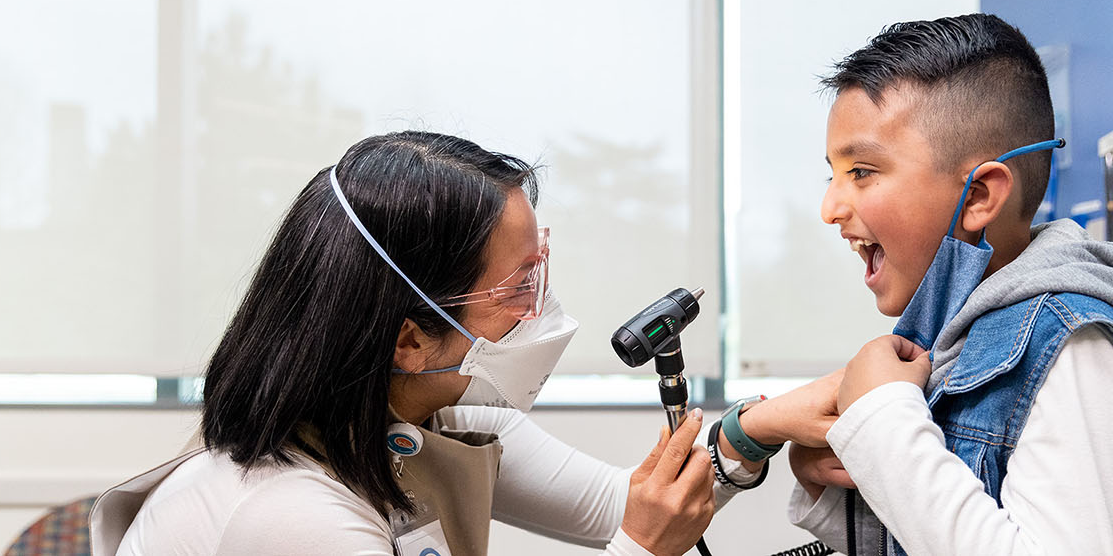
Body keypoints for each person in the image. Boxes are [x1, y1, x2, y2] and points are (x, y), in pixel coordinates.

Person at [90, 131, 837, 556]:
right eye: (516, 289)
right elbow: (641, 532)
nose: (540, 314)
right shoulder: (289, 515)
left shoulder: (431, 418)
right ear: (409, 341)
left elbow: (629, 506)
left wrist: (758, 427)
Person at [789, 13, 1113, 555]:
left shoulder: (1073, 345)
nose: (829, 208)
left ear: (979, 197)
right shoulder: (958, 341)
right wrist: (837, 481)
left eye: (861, 172)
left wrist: (881, 423)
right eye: (832, 176)